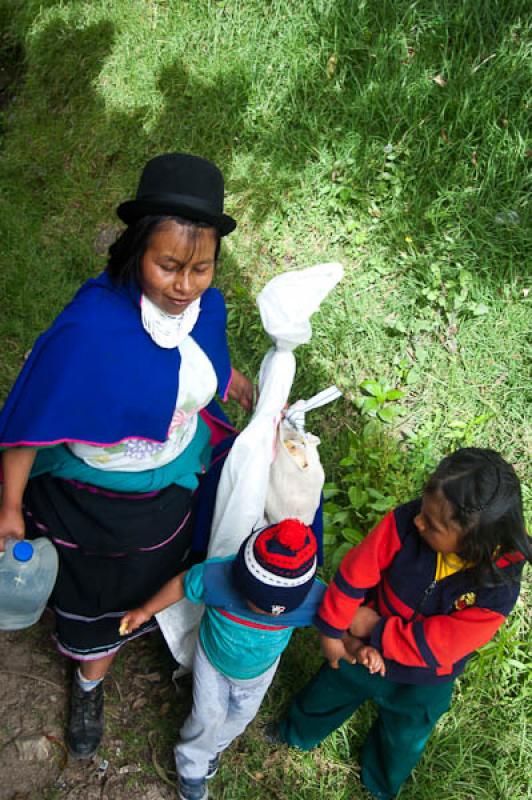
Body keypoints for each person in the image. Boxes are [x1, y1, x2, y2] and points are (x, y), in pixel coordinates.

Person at [0, 153, 254, 759]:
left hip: (168, 484)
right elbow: (32, 420)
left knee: (144, 571)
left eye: (201, 268)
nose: (184, 286)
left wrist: (227, 376)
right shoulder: (91, 327)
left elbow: (197, 353)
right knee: (89, 585)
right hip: (88, 496)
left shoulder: (205, 307)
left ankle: (118, 634)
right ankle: (90, 676)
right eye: (168, 266)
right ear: (137, 249)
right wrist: (9, 505)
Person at [271, 448, 531, 799]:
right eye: (423, 509)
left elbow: (443, 644)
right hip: (359, 652)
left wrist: (373, 627)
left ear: (475, 543)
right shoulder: (407, 521)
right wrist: (333, 631)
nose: (419, 522)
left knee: (403, 738)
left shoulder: (497, 587)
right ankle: (295, 734)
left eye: (433, 525)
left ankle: (379, 784)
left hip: (425, 679)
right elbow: (355, 573)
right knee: (327, 693)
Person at [120, 519, 326, 800]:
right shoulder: (219, 578)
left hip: (259, 671)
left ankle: (212, 747)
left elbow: (339, 616)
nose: (272, 614)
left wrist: (349, 644)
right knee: (207, 715)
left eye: (281, 610)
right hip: (213, 662)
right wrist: (145, 611)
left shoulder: (312, 598)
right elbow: (182, 584)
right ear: (241, 580)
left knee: (241, 716)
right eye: (261, 605)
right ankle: (192, 765)